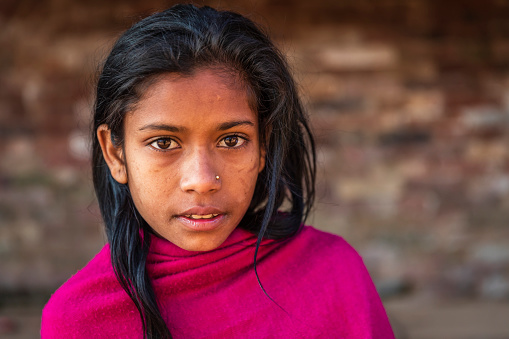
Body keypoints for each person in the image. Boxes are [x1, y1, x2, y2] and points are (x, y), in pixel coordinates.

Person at [41, 4, 395, 338]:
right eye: (164, 143)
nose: (201, 180)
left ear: (263, 147)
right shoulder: (80, 318)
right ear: (115, 154)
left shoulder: (333, 272)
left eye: (231, 140)